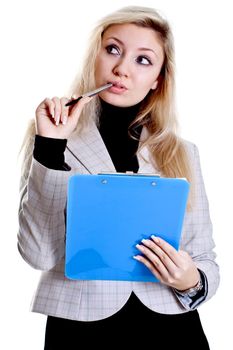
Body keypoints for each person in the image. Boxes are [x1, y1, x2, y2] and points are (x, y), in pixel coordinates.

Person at [18, 5, 219, 349]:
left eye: (143, 59)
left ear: (158, 79)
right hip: (79, 326)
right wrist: (50, 149)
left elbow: (204, 260)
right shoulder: (52, 136)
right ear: (94, 57)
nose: (122, 68)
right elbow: (37, 255)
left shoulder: (182, 152)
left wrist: (189, 280)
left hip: (171, 326)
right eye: (113, 49)